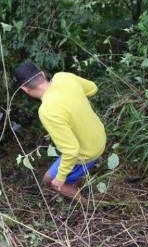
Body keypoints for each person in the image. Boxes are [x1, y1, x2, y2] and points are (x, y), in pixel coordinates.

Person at [15, 61, 106, 199]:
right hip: (100, 136)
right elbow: (93, 88)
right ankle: (76, 182)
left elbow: (71, 150)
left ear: (25, 89)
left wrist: (60, 178)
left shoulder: (47, 110)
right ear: (43, 75)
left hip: (89, 151)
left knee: (50, 181)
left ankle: (88, 206)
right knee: (53, 177)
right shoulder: (64, 77)